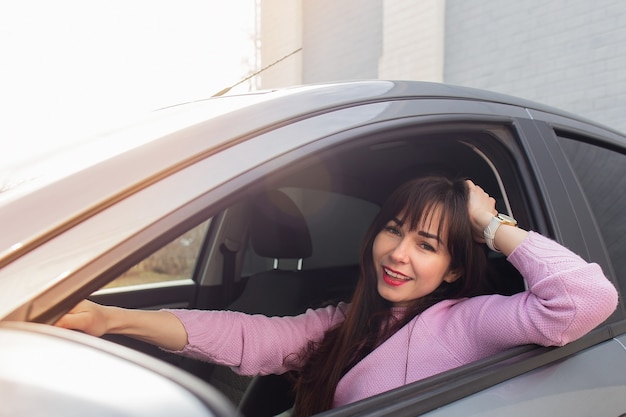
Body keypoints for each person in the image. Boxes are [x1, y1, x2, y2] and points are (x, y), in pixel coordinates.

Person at [55, 177, 618, 417]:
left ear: (453, 270)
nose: (398, 254)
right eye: (394, 230)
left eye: (427, 245)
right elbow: (251, 337)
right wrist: (111, 319)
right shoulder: (347, 320)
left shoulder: (467, 322)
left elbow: (584, 299)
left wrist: (489, 224)